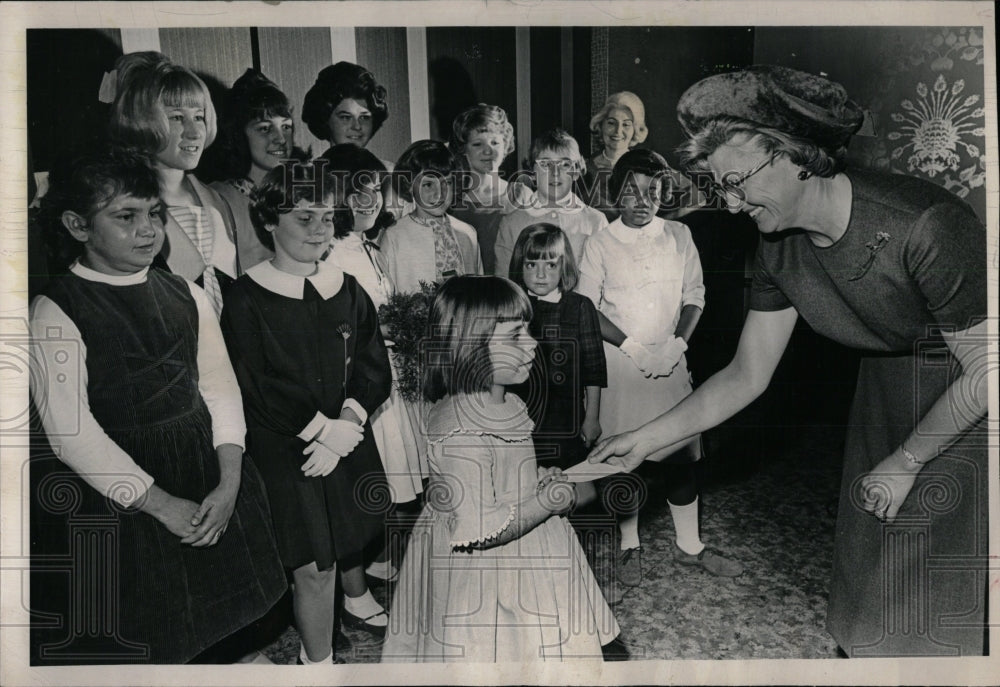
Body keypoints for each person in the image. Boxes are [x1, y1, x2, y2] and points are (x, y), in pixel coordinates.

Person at [589, 65, 989, 656]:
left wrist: (908, 460)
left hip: (968, 397)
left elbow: (987, 374)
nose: (728, 205)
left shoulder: (925, 225)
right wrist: (645, 439)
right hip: (886, 387)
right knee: (873, 566)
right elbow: (747, 374)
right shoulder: (777, 247)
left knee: (931, 582)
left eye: (736, 182)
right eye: (719, 188)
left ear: (792, 155)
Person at [29, 151, 286, 663]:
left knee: (224, 614)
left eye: (154, 213)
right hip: (124, 492)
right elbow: (71, 434)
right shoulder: (56, 309)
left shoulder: (185, 292)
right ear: (78, 225)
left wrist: (230, 478)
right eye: (125, 217)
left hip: (205, 470)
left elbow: (218, 385)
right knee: (153, 628)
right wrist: (162, 505)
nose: (148, 230)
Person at [380, 276, 621, 662]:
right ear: (470, 346)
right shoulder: (460, 425)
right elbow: (479, 527)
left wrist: (536, 476)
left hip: (524, 536)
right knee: (492, 650)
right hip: (485, 563)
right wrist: (549, 502)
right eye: (514, 336)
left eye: (528, 331)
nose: (532, 343)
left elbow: (507, 469)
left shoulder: (509, 401)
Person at [220, 160, 393, 663]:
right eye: (303, 218)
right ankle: (317, 663)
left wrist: (349, 423)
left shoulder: (346, 286)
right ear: (269, 220)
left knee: (344, 544)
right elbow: (257, 383)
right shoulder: (247, 297)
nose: (320, 230)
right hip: (287, 447)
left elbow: (372, 363)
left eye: (326, 217)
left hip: (345, 437)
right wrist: (321, 430)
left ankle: (338, 626)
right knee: (313, 566)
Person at [578, 148, 743, 589]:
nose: (643, 199)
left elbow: (696, 294)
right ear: (616, 193)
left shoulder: (679, 234)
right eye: (632, 190)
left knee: (679, 456)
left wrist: (676, 344)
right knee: (624, 461)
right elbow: (587, 310)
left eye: (654, 190)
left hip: (670, 362)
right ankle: (629, 543)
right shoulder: (599, 242)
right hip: (623, 367)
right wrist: (634, 347)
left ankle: (690, 546)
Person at [320, 143, 426, 578]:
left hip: (390, 375)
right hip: (361, 378)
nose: (370, 202)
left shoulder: (368, 247)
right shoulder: (332, 253)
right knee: (374, 470)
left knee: (396, 468)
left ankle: (383, 559)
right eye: (357, 192)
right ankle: (364, 570)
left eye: (376, 191)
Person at [108, 51, 240, 316]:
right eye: (177, 117)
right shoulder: (122, 208)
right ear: (142, 121)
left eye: (199, 117)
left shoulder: (218, 201)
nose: (194, 132)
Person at [203, 68, 306, 271]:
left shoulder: (302, 191)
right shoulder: (218, 198)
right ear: (238, 135)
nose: (280, 139)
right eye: (265, 128)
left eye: (286, 127)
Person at [493, 129, 607, 280]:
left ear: (577, 171)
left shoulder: (595, 221)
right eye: (546, 164)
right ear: (532, 171)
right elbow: (505, 284)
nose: (555, 172)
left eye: (565, 164)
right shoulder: (512, 223)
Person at [382, 140, 482, 294]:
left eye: (447, 183)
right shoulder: (395, 236)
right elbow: (388, 296)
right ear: (409, 185)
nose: (440, 194)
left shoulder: (468, 233)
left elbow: (479, 293)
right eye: (428, 185)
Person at [447, 103, 530, 273]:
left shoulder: (521, 195)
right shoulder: (450, 198)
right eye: (477, 144)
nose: (488, 151)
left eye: (495, 142)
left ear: (505, 145)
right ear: (463, 149)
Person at [583, 91, 647, 221]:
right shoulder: (584, 168)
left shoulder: (647, 166)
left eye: (626, 125)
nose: (618, 131)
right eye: (611, 123)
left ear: (635, 130)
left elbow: (695, 196)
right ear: (601, 125)